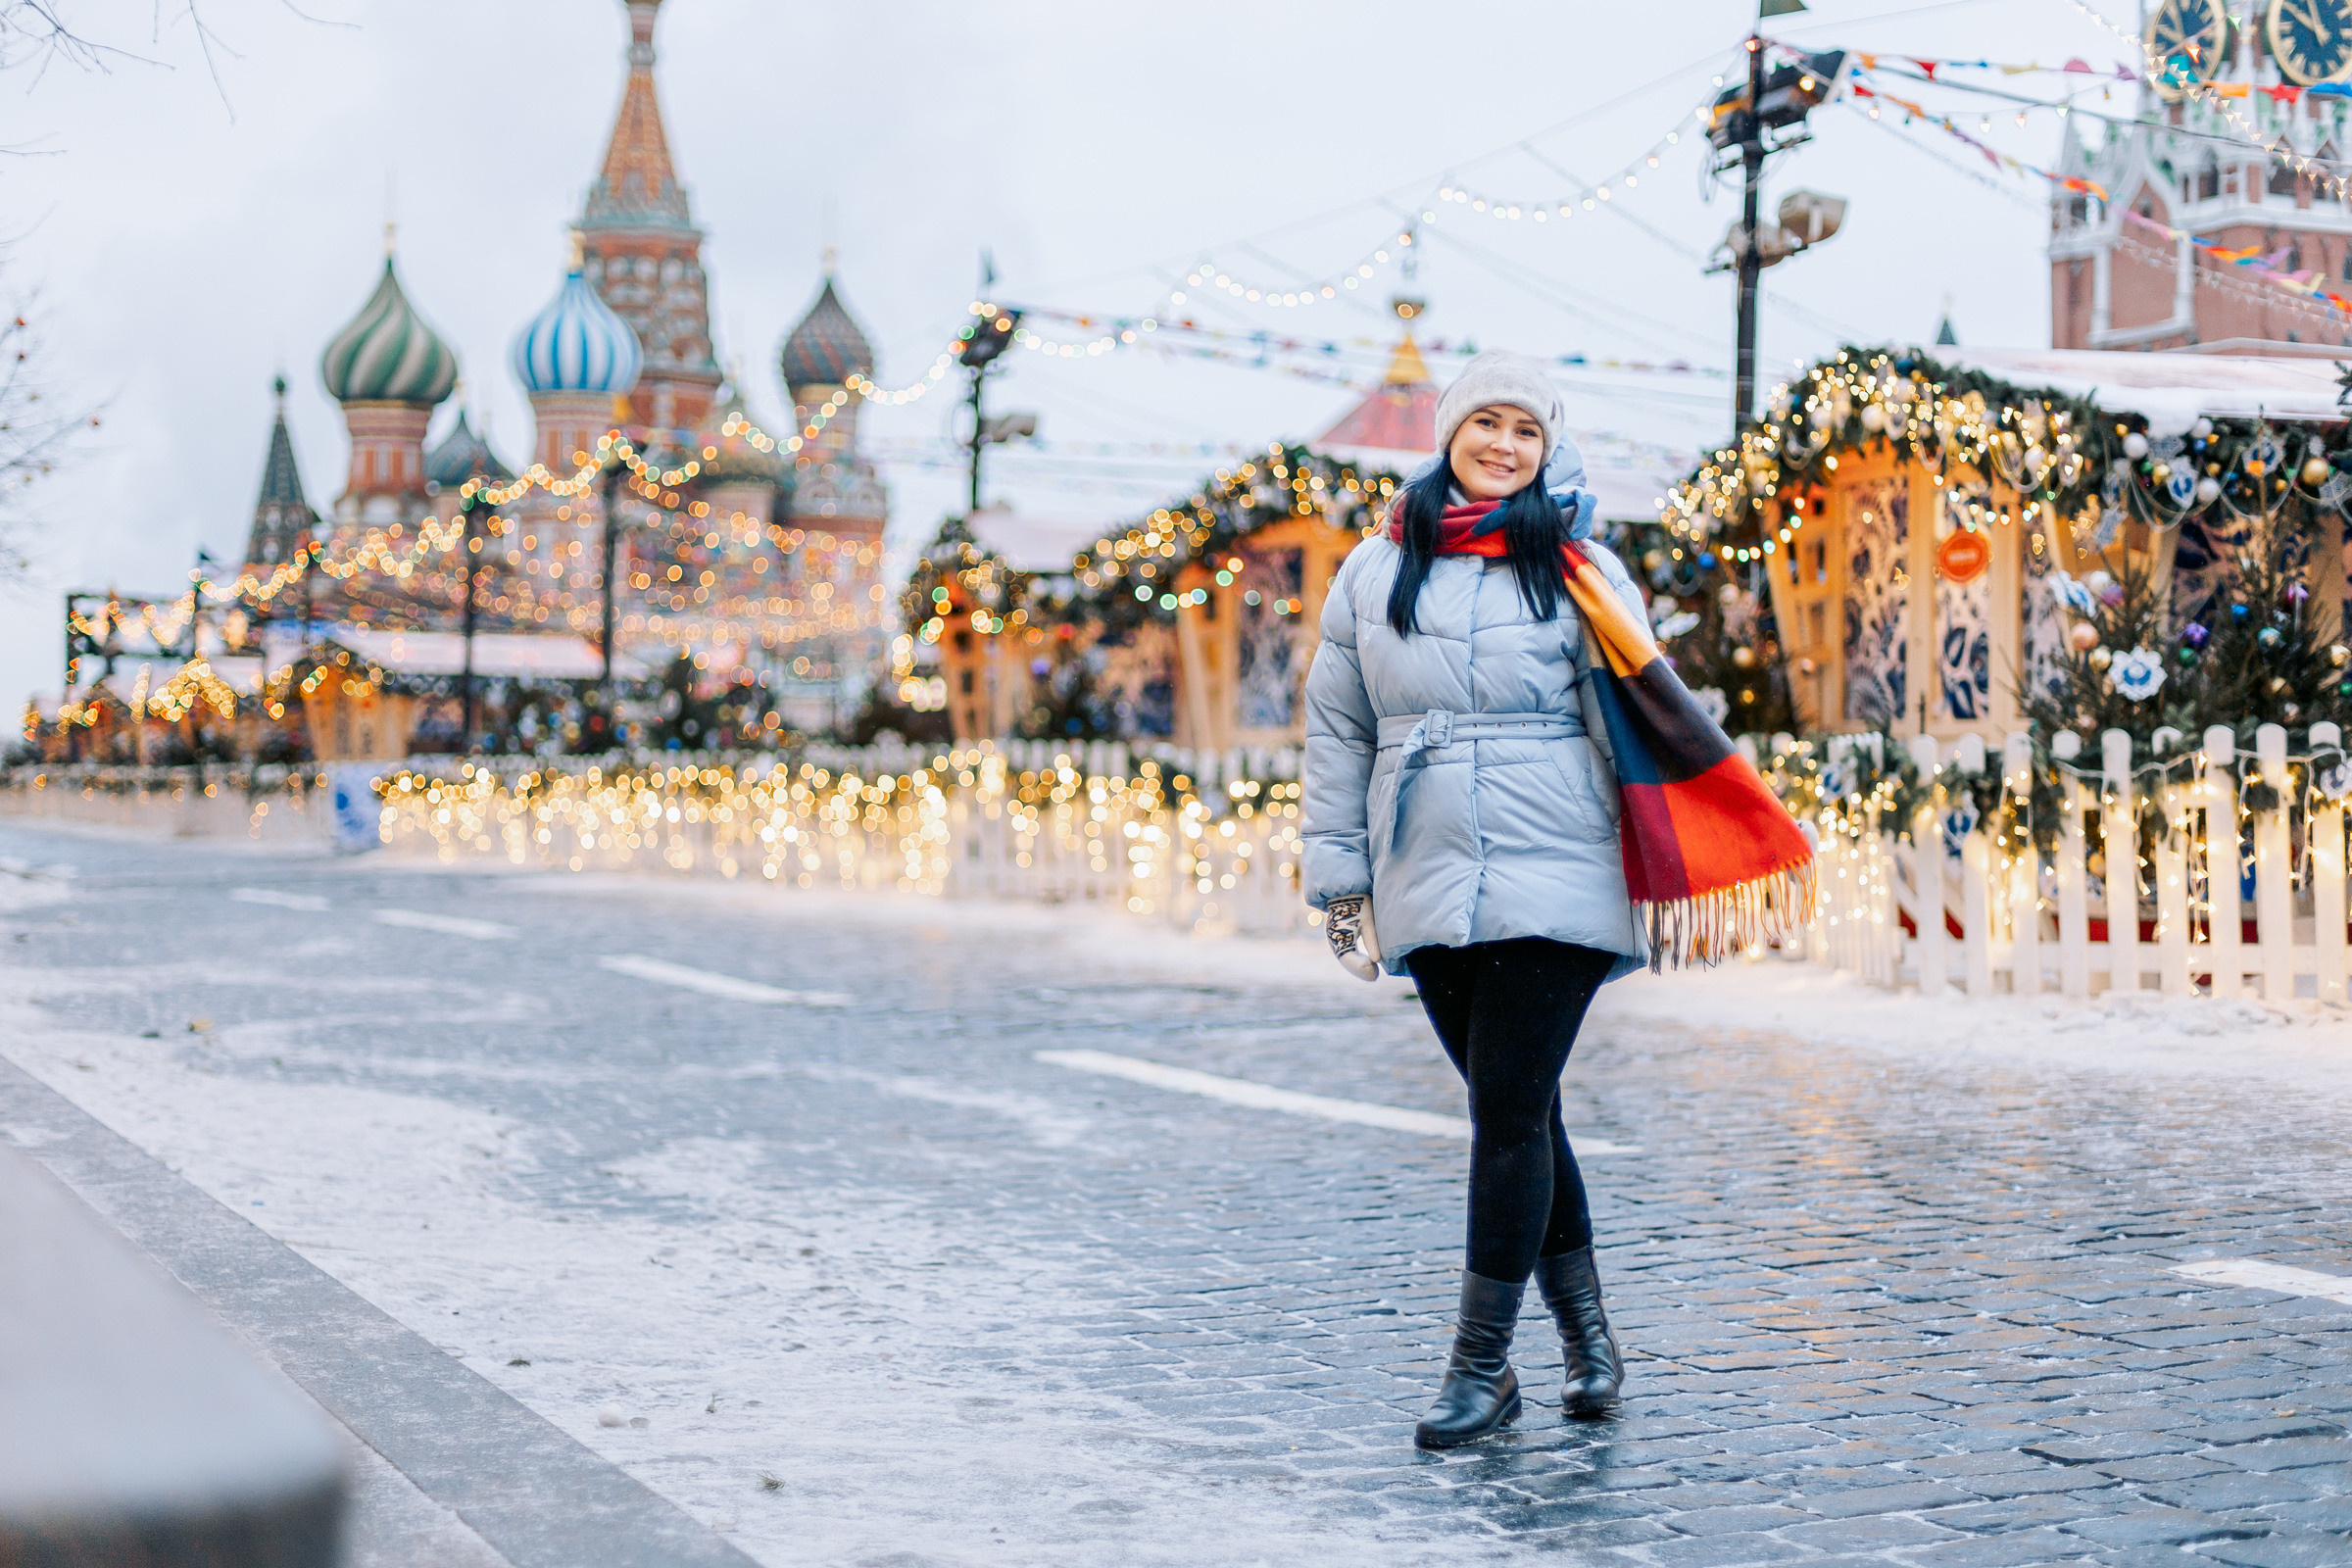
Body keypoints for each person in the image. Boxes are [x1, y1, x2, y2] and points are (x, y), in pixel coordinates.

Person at [1300, 351, 1646, 1449]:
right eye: (1487, 422)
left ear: (1549, 448)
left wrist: (1666, 851)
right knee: (1524, 1111)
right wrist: (1342, 881)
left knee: (1505, 1109)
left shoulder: (1582, 566)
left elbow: (1640, 717)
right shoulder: (1374, 568)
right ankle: (1591, 1342)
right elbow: (1339, 732)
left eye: (1526, 430)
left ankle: (1480, 1369)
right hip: (1426, 860)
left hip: (1560, 861)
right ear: (1449, 433)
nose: (1505, 445)